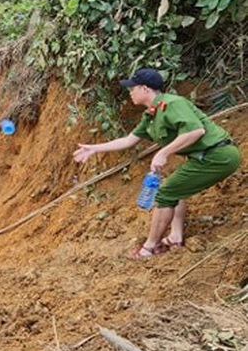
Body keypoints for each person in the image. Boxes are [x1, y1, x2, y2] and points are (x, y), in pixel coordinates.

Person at [73, 68, 241, 260]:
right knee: (177, 187)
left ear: (145, 88)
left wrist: (163, 152)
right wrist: (95, 148)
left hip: (217, 156)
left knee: (166, 192)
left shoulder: (172, 103)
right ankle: (176, 236)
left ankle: (150, 247)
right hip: (205, 157)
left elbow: (196, 131)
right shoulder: (151, 115)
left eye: (132, 88)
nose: (130, 93)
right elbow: (128, 140)